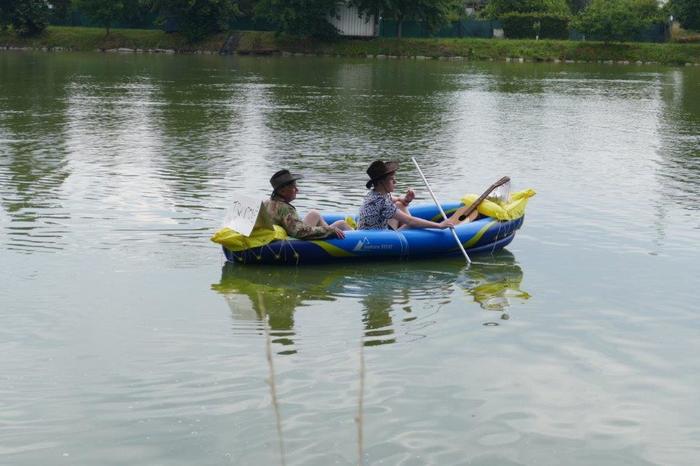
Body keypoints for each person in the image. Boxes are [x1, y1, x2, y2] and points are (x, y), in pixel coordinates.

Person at [358, 160, 455, 231]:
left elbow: (393, 199)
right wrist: (439, 225)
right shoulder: (381, 201)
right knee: (411, 224)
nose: (395, 182)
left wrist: (405, 199)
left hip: (377, 231)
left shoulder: (375, 194)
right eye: (391, 179)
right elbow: (410, 221)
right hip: (378, 239)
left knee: (399, 205)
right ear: (381, 182)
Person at [263, 169, 350, 240]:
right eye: (294, 187)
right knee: (341, 224)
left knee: (314, 214)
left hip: (277, 237)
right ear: (282, 191)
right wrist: (329, 230)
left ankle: (342, 229)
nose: (297, 190)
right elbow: (300, 232)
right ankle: (354, 237)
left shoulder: (267, 203)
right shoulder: (284, 208)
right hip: (295, 242)